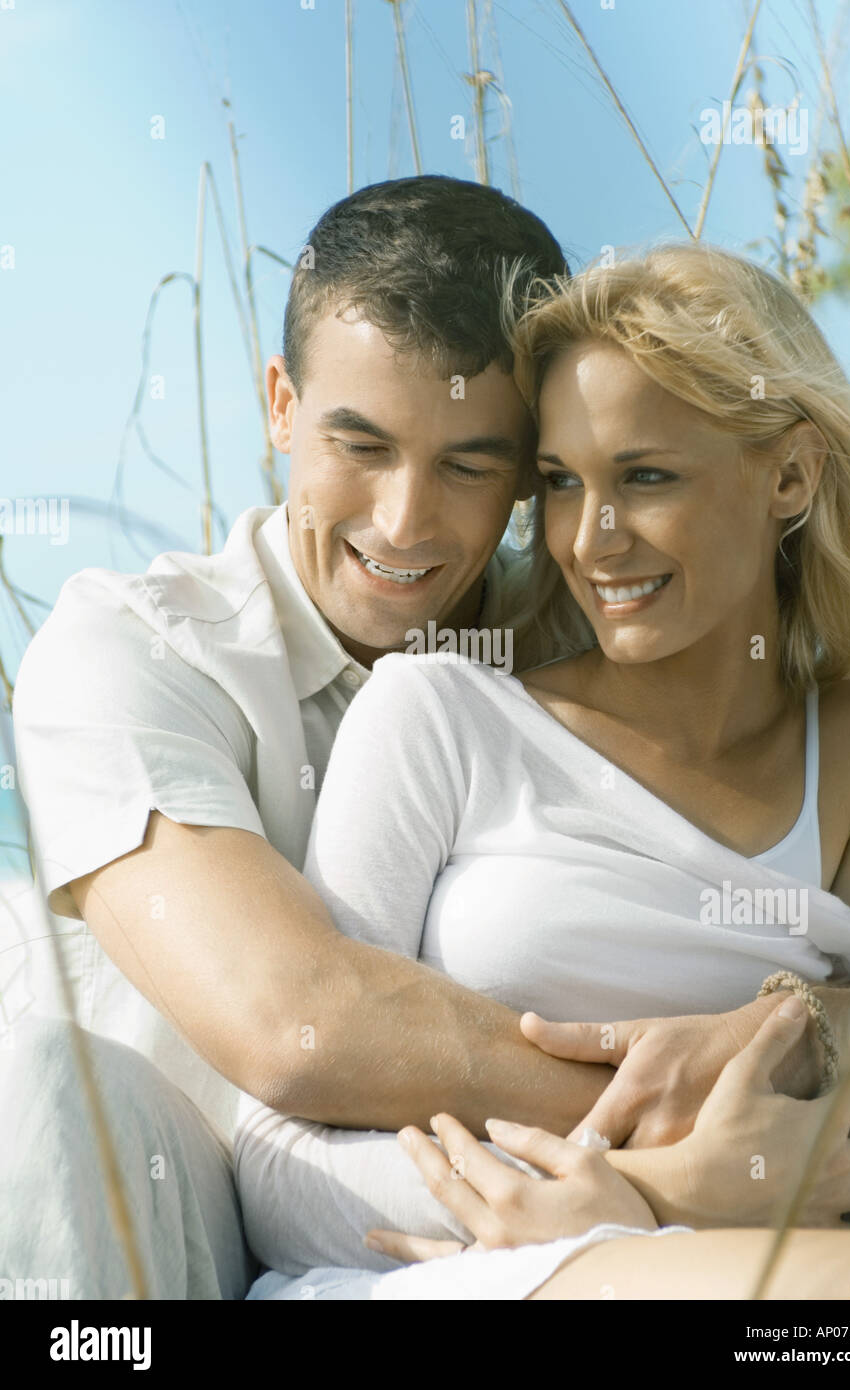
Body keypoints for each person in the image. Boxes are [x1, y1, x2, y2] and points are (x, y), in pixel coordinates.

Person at [235, 244, 850, 1300]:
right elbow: (275, 1165)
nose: (591, 541)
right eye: (559, 483)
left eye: (645, 477)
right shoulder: (443, 715)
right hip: (504, 1270)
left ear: (788, 474)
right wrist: (656, 1194)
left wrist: (832, 1020)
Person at [3, 175, 621, 1300]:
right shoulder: (131, 650)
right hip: (183, 1216)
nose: (404, 522)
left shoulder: (596, 645)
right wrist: (688, 1128)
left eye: (470, 464)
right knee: (39, 1084)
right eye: (362, 445)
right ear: (281, 404)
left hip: (495, 1218)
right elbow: (294, 1027)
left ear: (531, 467)